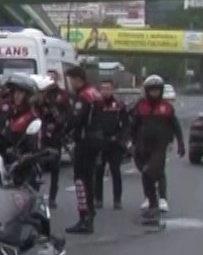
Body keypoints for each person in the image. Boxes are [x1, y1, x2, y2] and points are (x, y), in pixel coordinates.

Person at [130, 75, 185, 223]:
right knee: (145, 172)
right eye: (151, 90)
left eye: (157, 90)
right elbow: (133, 125)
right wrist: (129, 141)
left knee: (152, 171)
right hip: (142, 146)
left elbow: (176, 126)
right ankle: (150, 199)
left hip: (160, 146)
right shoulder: (140, 106)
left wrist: (180, 143)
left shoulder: (167, 107)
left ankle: (156, 202)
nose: (154, 93)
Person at [63, 66, 105, 235]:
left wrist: (65, 130)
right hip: (97, 139)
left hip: (86, 141)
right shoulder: (96, 93)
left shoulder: (84, 96)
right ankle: (89, 214)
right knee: (89, 179)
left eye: (71, 80)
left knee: (81, 180)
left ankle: (85, 218)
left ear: (77, 79)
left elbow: (76, 119)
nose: (70, 84)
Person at [90, 79, 130, 210]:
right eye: (103, 88)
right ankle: (98, 199)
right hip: (100, 143)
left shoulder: (119, 105)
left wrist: (121, 139)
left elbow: (126, 125)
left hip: (114, 144)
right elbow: (91, 123)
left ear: (113, 90)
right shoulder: (96, 105)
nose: (105, 91)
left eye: (108, 88)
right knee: (98, 171)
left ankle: (117, 200)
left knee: (115, 172)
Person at [37, 71, 72, 208]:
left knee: (55, 168)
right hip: (42, 133)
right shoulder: (41, 93)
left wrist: (58, 124)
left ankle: (52, 198)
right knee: (38, 165)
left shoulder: (62, 95)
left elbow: (67, 114)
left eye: (53, 77)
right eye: (48, 77)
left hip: (57, 135)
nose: (51, 79)